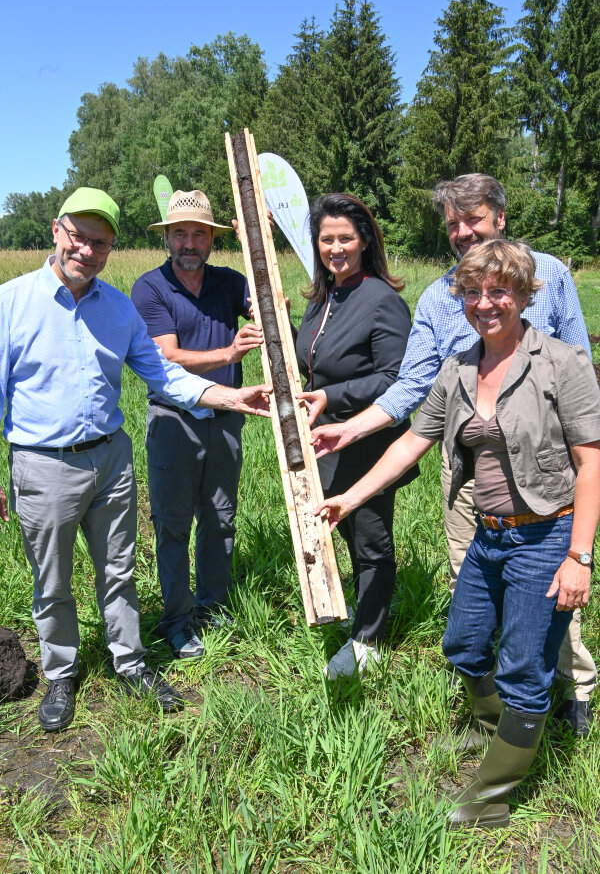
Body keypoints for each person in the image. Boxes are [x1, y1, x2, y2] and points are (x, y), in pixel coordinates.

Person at [315, 239, 600, 828]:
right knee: (465, 645)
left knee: (525, 666)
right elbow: (412, 441)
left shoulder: (563, 364)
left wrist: (580, 556)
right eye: (473, 292)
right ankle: (493, 730)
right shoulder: (458, 368)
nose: (485, 303)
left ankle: (493, 795)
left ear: (523, 296)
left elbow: (592, 462)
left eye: (499, 291)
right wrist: (351, 496)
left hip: (546, 535)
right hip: (489, 536)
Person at [0, 187, 270, 732]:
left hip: (111, 459)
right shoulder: (10, 303)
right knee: (51, 579)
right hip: (42, 463)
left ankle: (130, 661)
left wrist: (229, 396)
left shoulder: (118, 308)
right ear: (57, 230)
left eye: (100, 243)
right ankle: (60, 673)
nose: (87, 251)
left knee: (119, 570)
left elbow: (163, 373)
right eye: (78, 236)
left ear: (110, 249)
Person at [131, 189, 263, 660]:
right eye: (181, 233)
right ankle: (177, 619)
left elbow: (268, 307)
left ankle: (213, 605)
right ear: (167, 236)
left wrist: (261, 245)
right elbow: (166, 356)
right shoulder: (149, 288)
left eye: (200, 234)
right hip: (173, 421)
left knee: (221, 517)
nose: (190, 242)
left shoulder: (230, 282)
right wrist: (230, 353)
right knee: (172, 523)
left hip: (227, 418)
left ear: (212, 240)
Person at [294, 193, 418, 679]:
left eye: (346, 237)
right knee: (343, 529)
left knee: (370, 540)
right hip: (324, 443)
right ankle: (360, 609)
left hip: (368, 442)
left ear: (364, 240)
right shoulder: (323, 297)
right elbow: (312, 361)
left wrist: (333, 397)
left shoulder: (382, 300)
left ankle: (369, 642)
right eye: (327, 239)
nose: (336, 247)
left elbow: (396, 378)